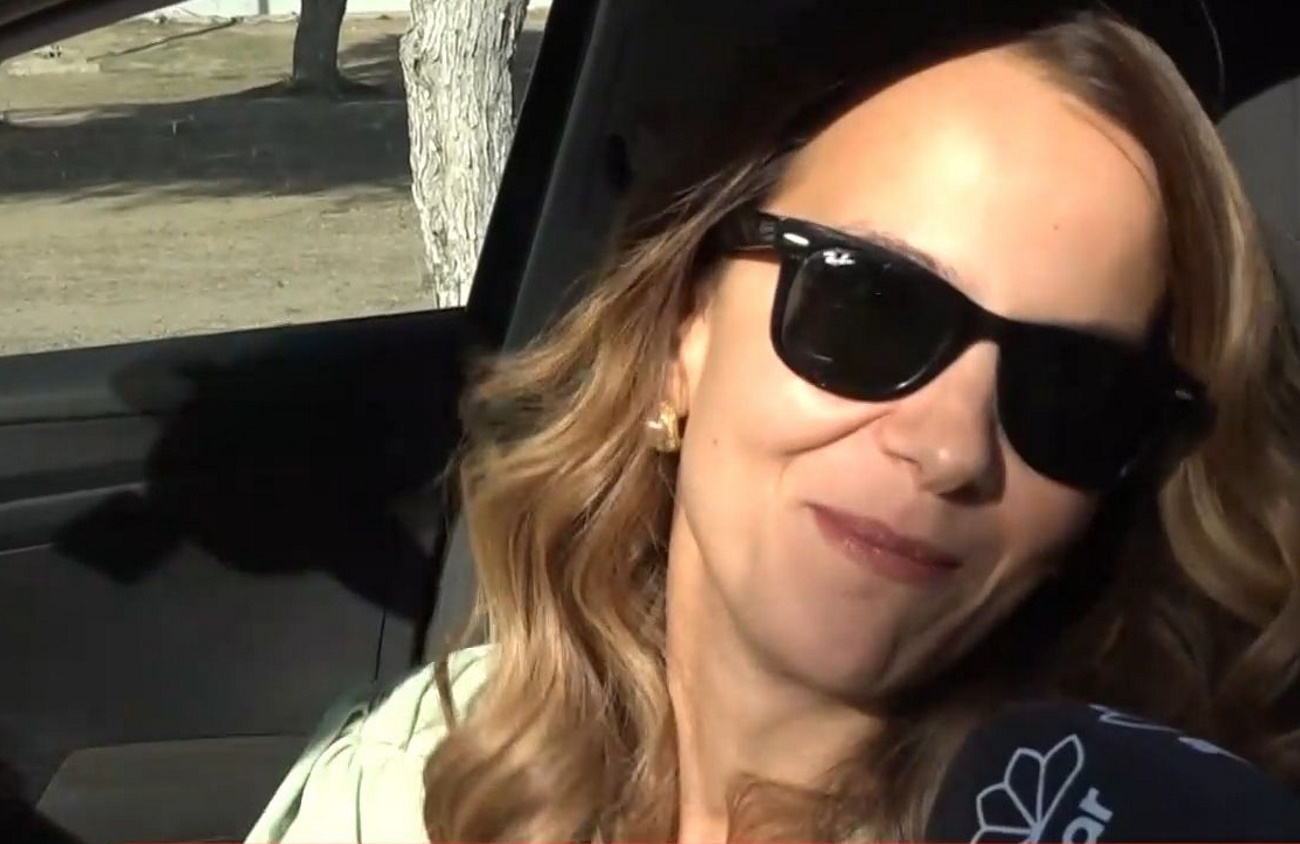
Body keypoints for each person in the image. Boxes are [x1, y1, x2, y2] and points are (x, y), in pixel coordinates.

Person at [247, 4, 1300, 843]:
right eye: (872, 308)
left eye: (1070, 390)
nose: (949, 449)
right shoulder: (413, 772)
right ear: (683, 330)